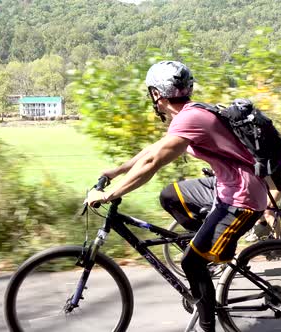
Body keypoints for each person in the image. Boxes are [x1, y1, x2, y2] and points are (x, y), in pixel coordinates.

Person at [85, 60, 268, 332]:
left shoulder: (190, 118)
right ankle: (204, 246)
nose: (152, 99)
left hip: (244, 198)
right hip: (223, 187)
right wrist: (116, 171)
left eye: (151, 93)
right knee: (170, 195)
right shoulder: (188, 114)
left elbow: (152, 164)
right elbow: (153, 150)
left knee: (191, 263)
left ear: (158, 94)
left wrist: (110, 194)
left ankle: (207, 322)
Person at [245, 146, 281, 241]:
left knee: (268, 210)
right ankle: (266, 235)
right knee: (263, 205)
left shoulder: (254, 146)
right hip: (280, 169)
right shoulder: (251, 142)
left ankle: (278, 244)